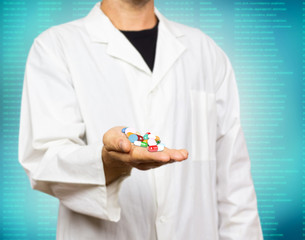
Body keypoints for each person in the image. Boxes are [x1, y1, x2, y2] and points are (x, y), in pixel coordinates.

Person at [18, 0, 264, 239]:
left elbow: (235, 183)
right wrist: (109, 162)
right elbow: (44, 161)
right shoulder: (56, 46)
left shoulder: (205, 50)